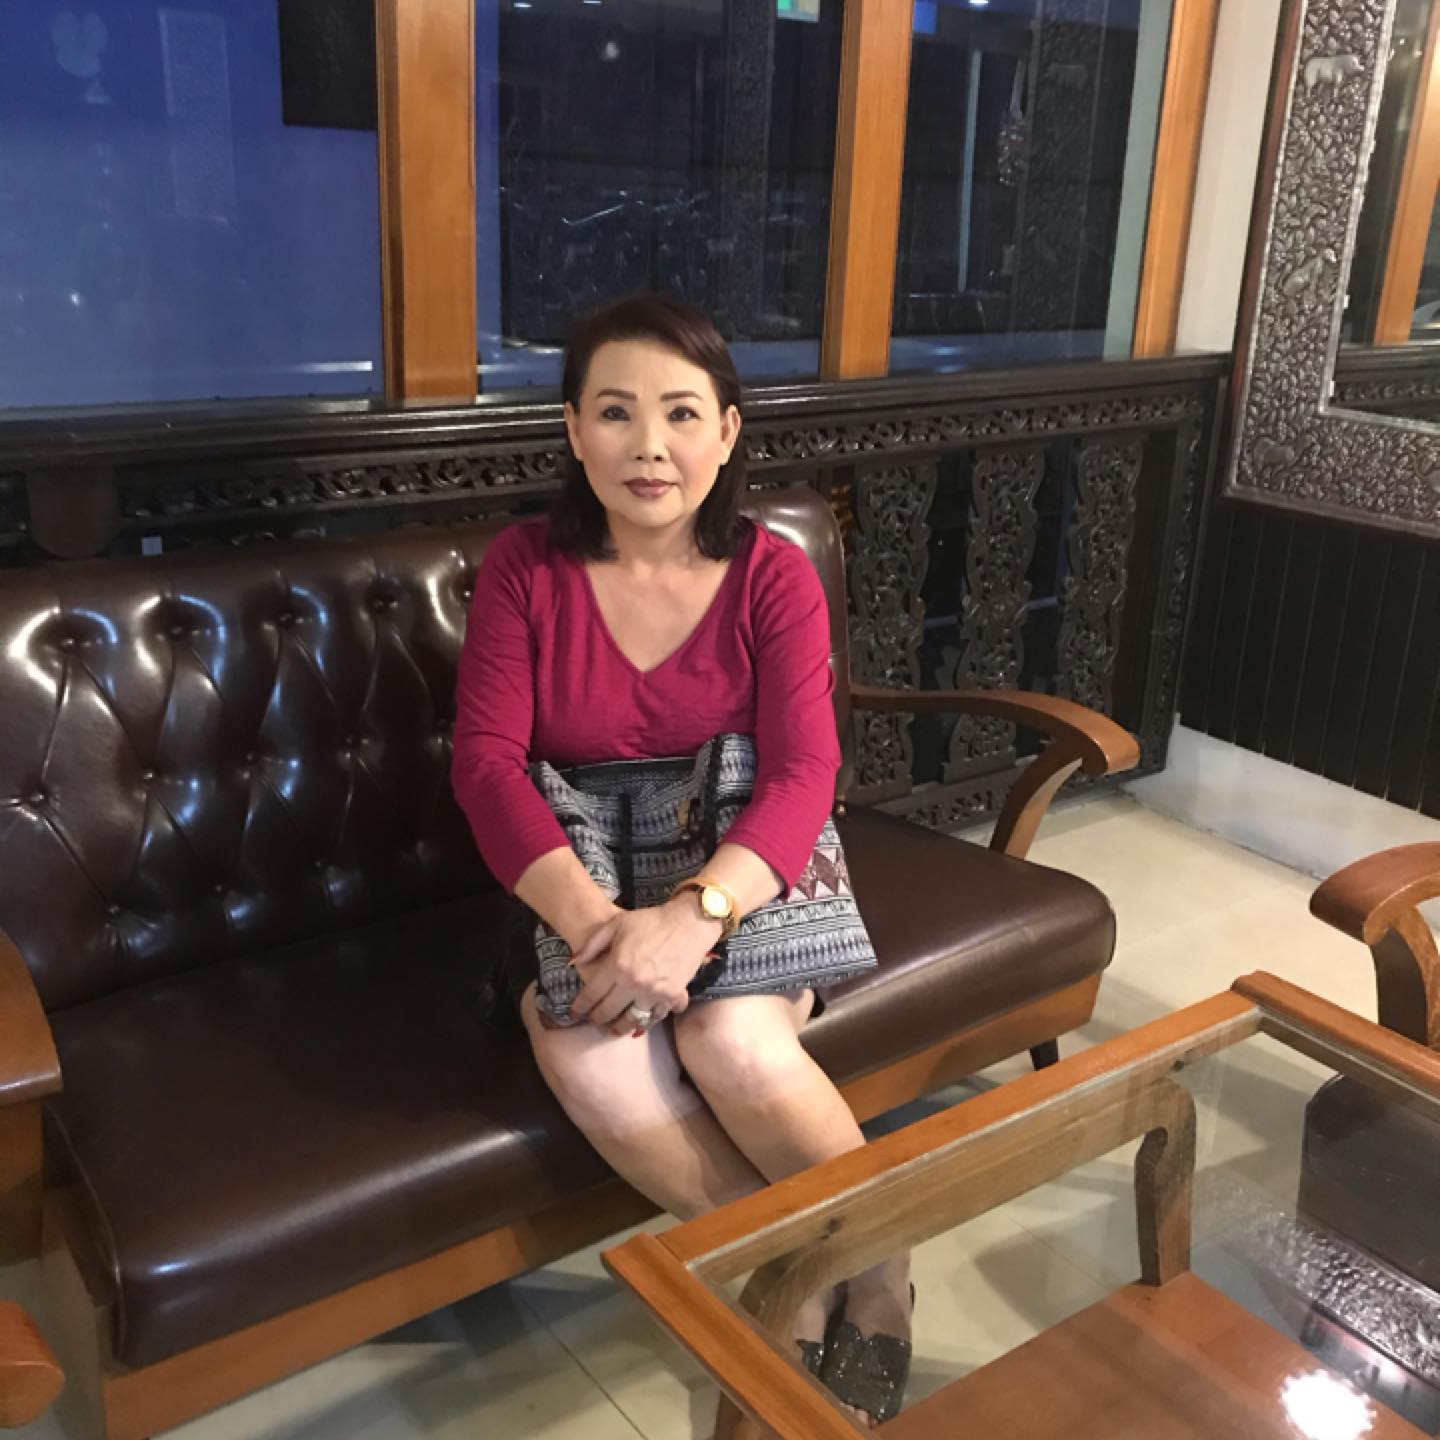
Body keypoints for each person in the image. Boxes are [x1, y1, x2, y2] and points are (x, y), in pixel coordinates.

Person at [452, 293, 911, 1424]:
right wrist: (597, 929)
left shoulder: (771, 574)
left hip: (741, 838)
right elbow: (488, 771)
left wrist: (695, 917)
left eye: (681, 413)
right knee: (586, 1047)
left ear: (727, 430)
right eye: (615, 412)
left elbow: (805, 772)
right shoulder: (523, 567)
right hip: (582, 860)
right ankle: (783, 1277)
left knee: (732, 1039)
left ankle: (883, 1270)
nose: (649, 446)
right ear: (573, 430)